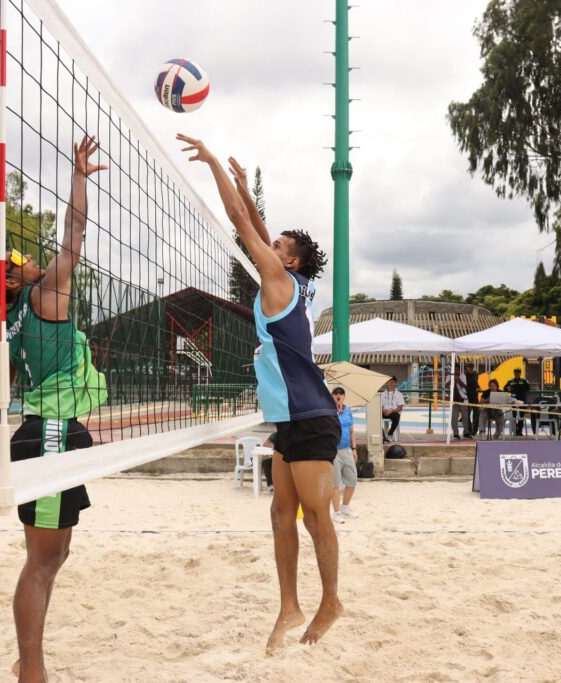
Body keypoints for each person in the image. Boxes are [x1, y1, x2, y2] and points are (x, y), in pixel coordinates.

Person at [179, 134, 342, 653]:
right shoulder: (294, 284)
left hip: (312, 414)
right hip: (285, 421)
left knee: (317, 517)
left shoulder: (279, 283)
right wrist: (249, 190)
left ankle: (331, 600)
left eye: (278, 249)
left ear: (287, 263)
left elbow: (242, 225)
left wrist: (212, 166)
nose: (269, 249)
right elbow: (257, 227)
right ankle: (290, 605)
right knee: (280, 515)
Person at [0, 135, 108, 683]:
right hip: (49, 436)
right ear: (10, 276)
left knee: (55, 554)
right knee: (43, 562)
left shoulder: (11, 327)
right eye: (18, 258)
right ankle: (32, 668)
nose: (29, 258)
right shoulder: (45, 295)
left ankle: (28, 658)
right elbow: (74, 235)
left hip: (44, 432)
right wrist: (78, 178)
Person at [330, 387, 359, 523]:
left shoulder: (348, 411)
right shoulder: (328, 411)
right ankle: (336, 512)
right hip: (333, 450)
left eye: (341, 393)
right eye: (336, 393)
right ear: (332, 396)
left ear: (344, 396)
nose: (338, 395)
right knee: (335, 483)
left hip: (347, 449)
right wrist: (334, 414)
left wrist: (354, 448)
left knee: (352, 479)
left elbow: (352, 431)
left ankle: (345, 507)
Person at [503, 368, 531, 436]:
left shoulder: (524, 380)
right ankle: (514, 430)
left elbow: (528, 388)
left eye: (518, 372)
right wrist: (509, 388)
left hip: (522, 401)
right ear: (514, 373)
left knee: (521, 416)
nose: (517, 373)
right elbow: (505, 388)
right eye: (515, 372)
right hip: (513, 401)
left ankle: (520, 431)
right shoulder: (510, 381)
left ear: (520, 373)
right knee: (514, 415)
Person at [380, 376, 405, 442]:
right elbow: (380, 405)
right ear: (387, 383)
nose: (391, 383)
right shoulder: (383, 394)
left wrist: (392, 411)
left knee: (397, 416)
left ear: (395, 383)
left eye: (393, 381)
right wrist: (383, 410)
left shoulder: (399, 394)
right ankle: (383, 435)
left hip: (393, 412)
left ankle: (390, 434)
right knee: (375, 416)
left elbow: (400, 407)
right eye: (389, 381)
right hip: (384, 412)